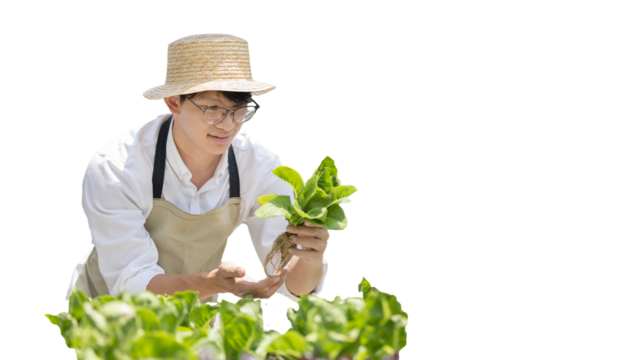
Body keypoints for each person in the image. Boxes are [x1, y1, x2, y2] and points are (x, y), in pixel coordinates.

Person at [66, 33, 330, 322]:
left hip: (193, 316)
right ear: (173, 102)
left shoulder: (259, 165)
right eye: (212, 109)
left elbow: (291, 284)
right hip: (101, 317)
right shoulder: (116, 166)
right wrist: (212, 284)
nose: (228, 125)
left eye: (239, 110)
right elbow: (132, 285)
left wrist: (310, 259)